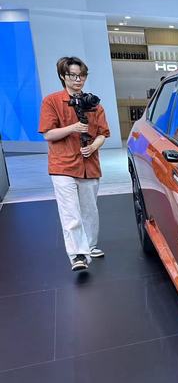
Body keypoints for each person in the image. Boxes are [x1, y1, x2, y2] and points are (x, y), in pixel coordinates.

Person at [38, 56, 110, 271]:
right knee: (70, 212)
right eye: (73, 75)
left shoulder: (94, 103)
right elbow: (48, 134)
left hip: (89, 165)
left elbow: (103, 133)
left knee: (90, 211)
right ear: (63, 76)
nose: (78, 80)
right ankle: (78, 255)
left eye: (82, 75)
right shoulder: (52, 101)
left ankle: (90, 246)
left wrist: (94, 146)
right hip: (63, 165)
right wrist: (73, 128)